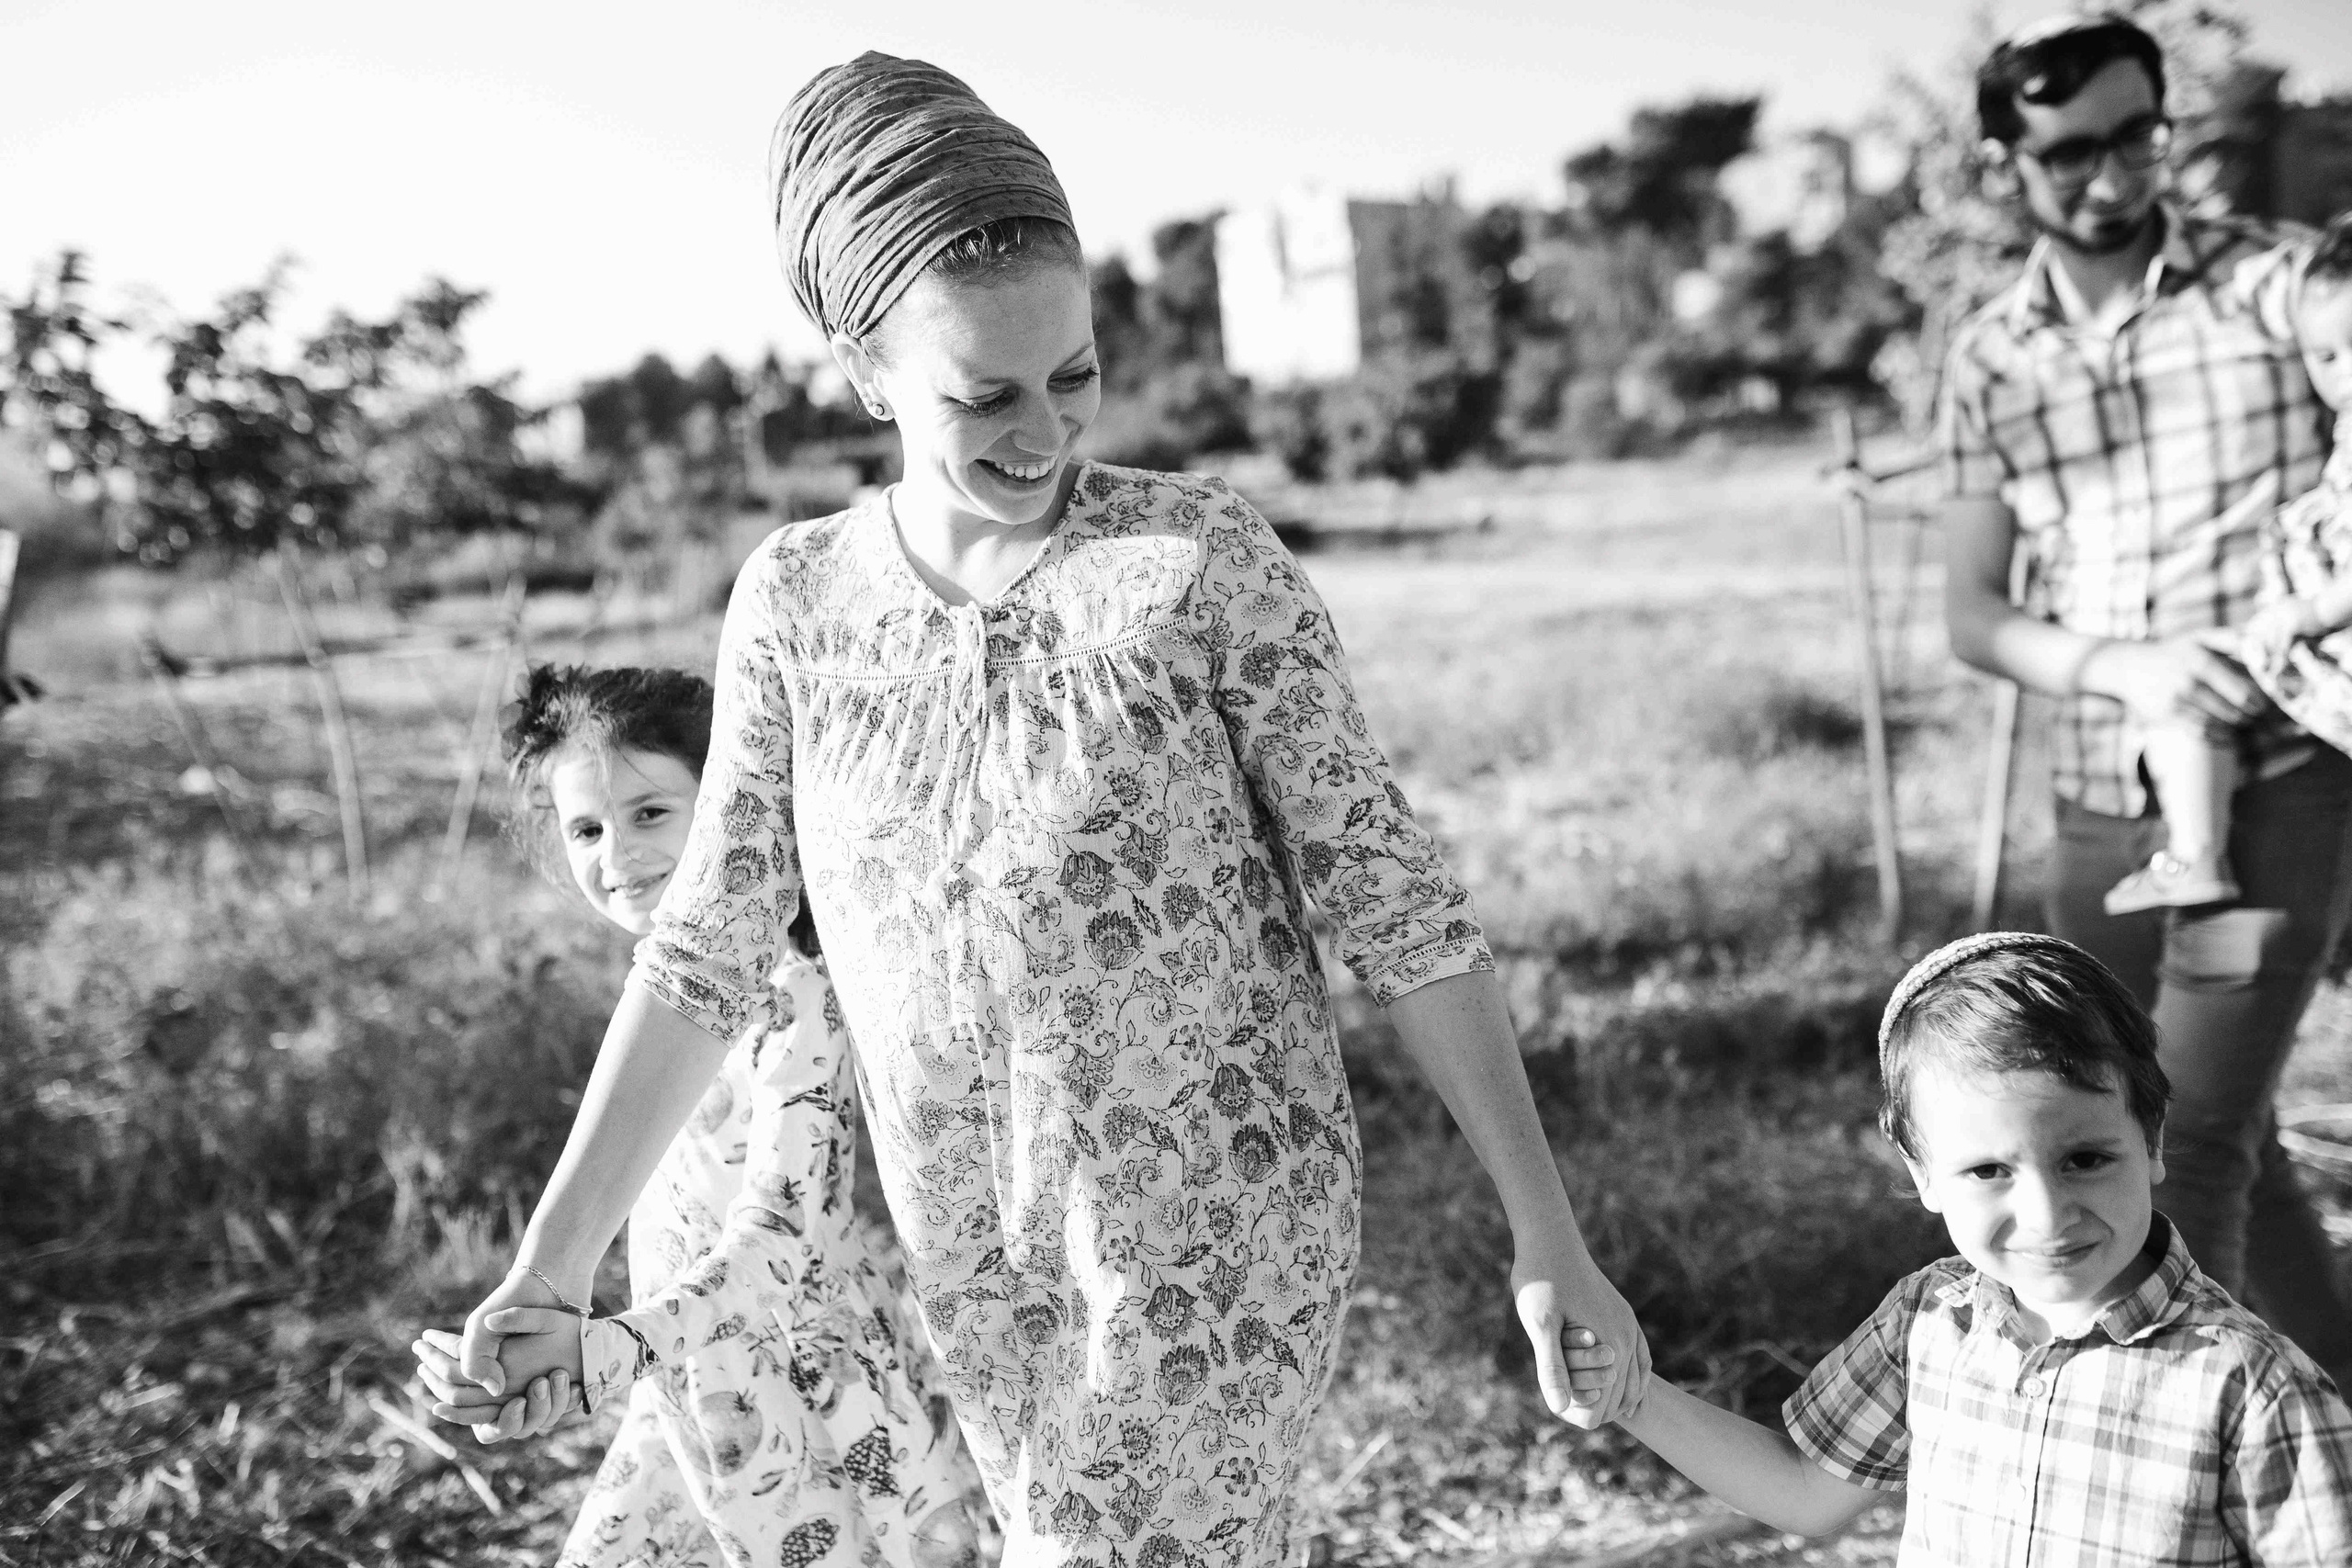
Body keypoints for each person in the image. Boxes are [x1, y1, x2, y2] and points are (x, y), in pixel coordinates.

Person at [432, 51, 1644, 1568]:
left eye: (1072, 376)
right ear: (864, 369)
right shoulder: (798, 601)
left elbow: (1398, 909)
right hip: (967, 1261)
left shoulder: (1202, 560)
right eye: (982, 393)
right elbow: (704, 950)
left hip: (1214, 1240)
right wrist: (552, 1266)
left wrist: (1548, 1228)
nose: (1043, 432)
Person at [1938, 12, 2351, 1382]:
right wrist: (2126, 664)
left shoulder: (2274, 286)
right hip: (2097, 802)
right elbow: (1976, 614)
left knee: (2181, 1166)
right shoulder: (1991, 358)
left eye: (2135, 137)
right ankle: (2336, 1402)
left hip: (2277, 777)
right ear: (2010, 161)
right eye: (2068, 152)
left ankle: (2175, 1478)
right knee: (2161, 1117)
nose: (2108, 176)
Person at [413, 664, 980, 1568]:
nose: (615, 853)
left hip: (813, 1401)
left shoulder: (794, 998)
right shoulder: (659, 1016)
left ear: (731, 810)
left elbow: (784, 1236)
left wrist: (606, 1351)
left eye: (649, 813)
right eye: (586, 828)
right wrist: (536, 1351)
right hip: (687, 1387)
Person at [1567, 932, 2352, 1563]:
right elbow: (1809, 1492)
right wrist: (1634, 1394)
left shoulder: (2250, 1387)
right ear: (1924, 1175)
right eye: (1988, 1170)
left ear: (2150, 1140)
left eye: (2084, 1157)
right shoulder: (1930, 1320)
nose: (2045, 1213)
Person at [2109, 214, 2352, 915]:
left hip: (2326, 636)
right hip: (2312, 634)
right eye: (2324, 357)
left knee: (2183, 689)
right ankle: (2198, 851)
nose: (2343, 374)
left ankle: (2196, 853)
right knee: (2189, 681)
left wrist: (2308, 611)